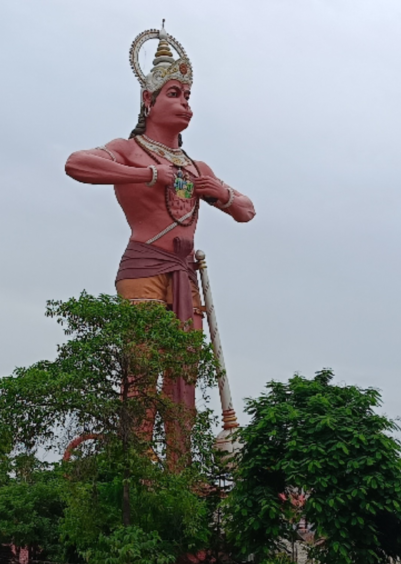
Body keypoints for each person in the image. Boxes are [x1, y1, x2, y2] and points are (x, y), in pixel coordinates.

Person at [65, 27, 256, 470]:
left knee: (183, 375)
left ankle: (179, 472)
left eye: (189, 95)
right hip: (144, 270)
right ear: (149, 102)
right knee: (142, 373)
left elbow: (247, 210)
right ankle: (136, 463)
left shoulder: (195, 166)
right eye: (175, 93)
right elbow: (76, 164)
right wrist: (147, 176)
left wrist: (219, 193)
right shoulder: (129, 150)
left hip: (184, 276)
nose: (186, 103)